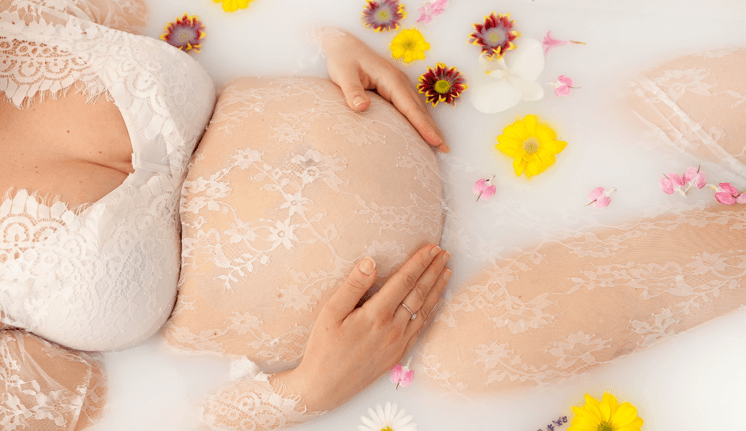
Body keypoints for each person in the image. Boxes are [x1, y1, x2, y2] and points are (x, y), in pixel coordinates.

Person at [0, 1, 449, 429]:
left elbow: (201, 15)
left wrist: (328, 37)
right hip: (402, 369)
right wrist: (305, 393)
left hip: (443, 111)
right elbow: (125, 416)